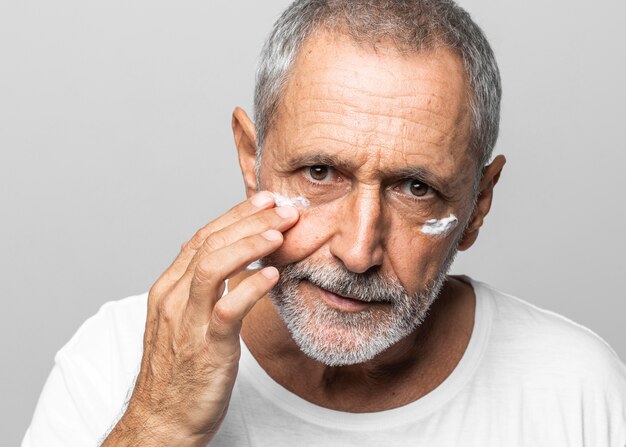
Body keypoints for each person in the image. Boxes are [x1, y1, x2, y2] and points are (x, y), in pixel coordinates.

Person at [22, 0, 626, 446]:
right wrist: (158, 423)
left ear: (478, 204)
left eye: (417, 189)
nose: (358, 250)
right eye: (319, 172)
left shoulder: (577, 389)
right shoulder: (120, 360)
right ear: (251, 161)